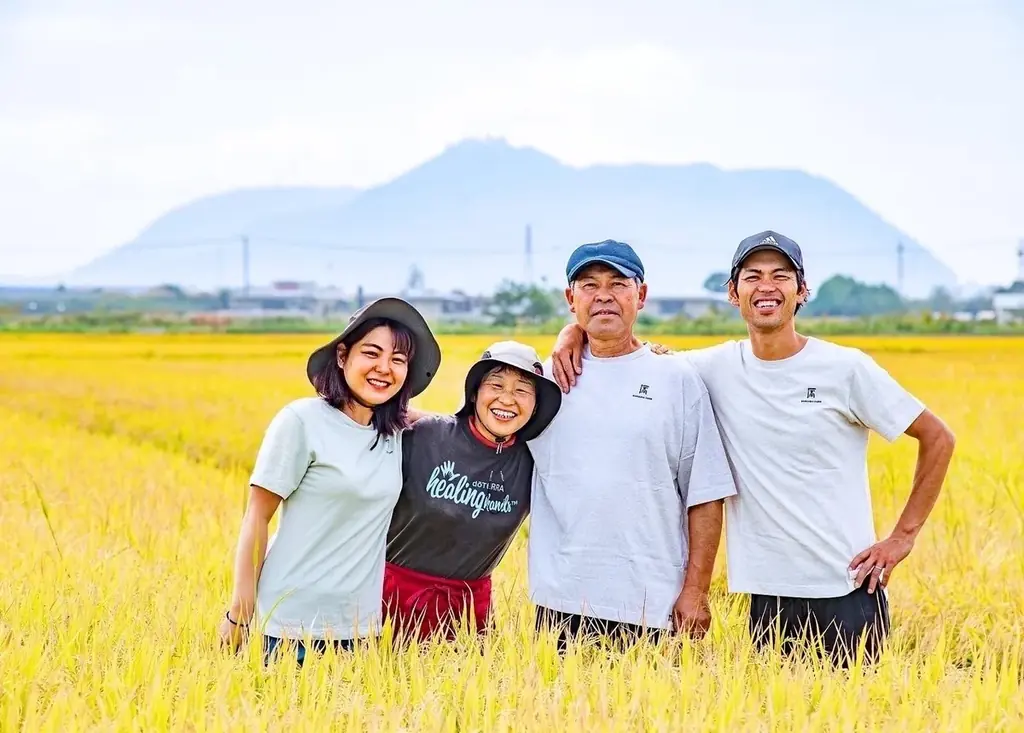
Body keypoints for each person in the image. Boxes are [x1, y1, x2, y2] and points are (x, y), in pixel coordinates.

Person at [549, 230, 956, 666]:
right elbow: (627, 350)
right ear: (733, 292)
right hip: (765, 598)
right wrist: (572, 332)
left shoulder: (845, 368)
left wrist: (902, 538)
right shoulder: (709, 368)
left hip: (847, 588)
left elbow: (938, 438)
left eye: (781, 276)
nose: (766, 286)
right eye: (752, 276)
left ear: (801, 291)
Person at [527, 239, 738, 652]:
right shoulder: (542, 382)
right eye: (588, 285)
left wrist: (696, 591)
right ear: (571, 299)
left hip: (653, 604)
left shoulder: (676, 378)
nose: (603, 295)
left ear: (640, 295)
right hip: (560, 599)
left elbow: (706, 494)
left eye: (618, 283)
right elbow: (476, 426)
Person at [217, 297, 442, 666]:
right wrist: (239, 616)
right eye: (372, 353)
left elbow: (457, 430)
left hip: (361, 630)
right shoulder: (301, 421)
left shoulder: (396, 432)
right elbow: (257, 518)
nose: (384, 368)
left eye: (398, 360)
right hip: (289, 629)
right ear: (342, 356)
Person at [384, 341, 562, 642]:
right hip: (389, 602)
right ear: (474, 392)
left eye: (522, 390)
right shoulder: (426, 434)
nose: (507, 399)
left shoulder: (536, 461)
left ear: (535, 406)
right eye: (496, 385)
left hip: (468, 617)